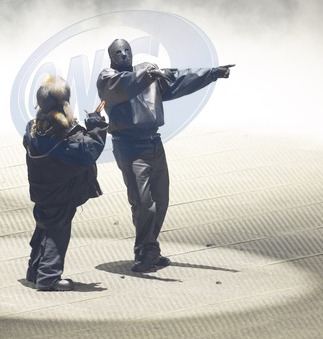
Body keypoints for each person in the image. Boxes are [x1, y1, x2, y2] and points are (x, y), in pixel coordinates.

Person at [97, 38, 234, 273]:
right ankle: (145, 251)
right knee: (143, 204)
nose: (124, 54)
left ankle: (149, 249)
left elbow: (178, 79)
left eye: (127, 50)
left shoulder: (148, 72)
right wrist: (147, 75)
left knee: (161, 201)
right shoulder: (108, 78)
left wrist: (212, 73)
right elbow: (123, 86)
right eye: (118, 52)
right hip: (130, 147)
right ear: (111, 56)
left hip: (154, 143)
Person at [24, 74, 108, 291]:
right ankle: (48, 277)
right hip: (59, 193)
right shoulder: (64, 139)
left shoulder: (32, 129)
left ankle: (35, 271)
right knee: (57, 230)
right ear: (65, 105)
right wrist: (96, 124)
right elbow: (89, 150)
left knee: (44, 226)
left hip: (41, 190)